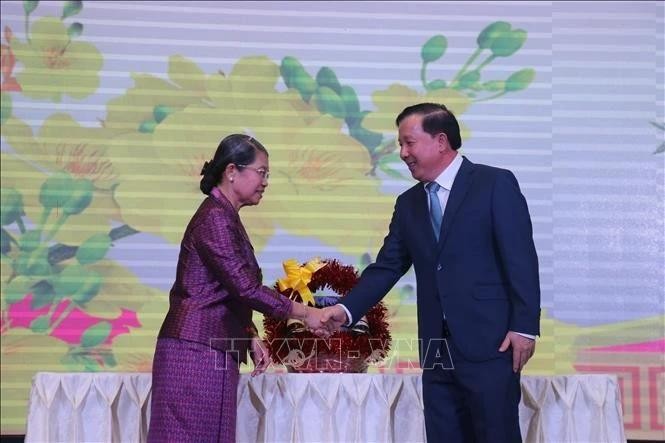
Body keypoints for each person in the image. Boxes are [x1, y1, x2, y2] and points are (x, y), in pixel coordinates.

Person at [321, 103, 541, 442]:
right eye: (400, 145)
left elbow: (521, 258)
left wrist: (524, 327)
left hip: (492, 343)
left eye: (409, 143)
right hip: (437, 349)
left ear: (441, 141)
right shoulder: (408, 203)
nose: (402, 153)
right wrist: (344, 309)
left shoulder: (494, 183)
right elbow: (388, 266)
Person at [148, 134, 330, 443]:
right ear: (232, 171)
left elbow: (226, 288)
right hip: (193, 351)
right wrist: (306, 312)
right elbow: (245, 287)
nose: (266, 181)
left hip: (208, 348)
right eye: (262, 172)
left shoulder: (224, 216)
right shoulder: (215, 218)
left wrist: (248, 334)